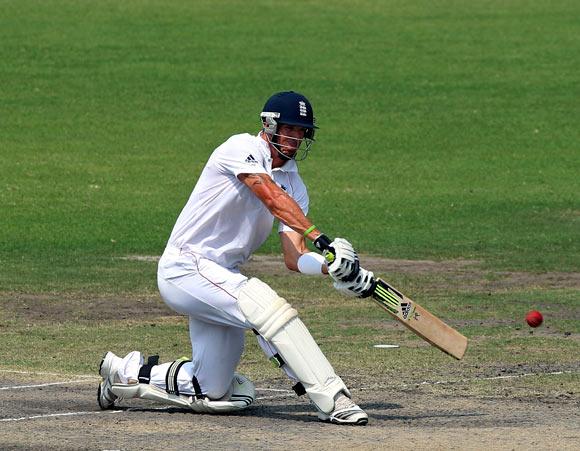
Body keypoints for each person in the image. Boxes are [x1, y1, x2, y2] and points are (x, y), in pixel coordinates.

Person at [97, 91, 375, 425]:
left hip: (220, 278)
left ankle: (122, 374)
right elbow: (271, 198)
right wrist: (324, 240)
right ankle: (334, 399)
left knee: (212, 388)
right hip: (186, 267)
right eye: (290, 129)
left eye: (302, 132)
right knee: (265, 306)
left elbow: (294, 256)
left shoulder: (295, 184)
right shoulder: (240, 148)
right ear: (269, 124)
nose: (296, 138)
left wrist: (331, 267)